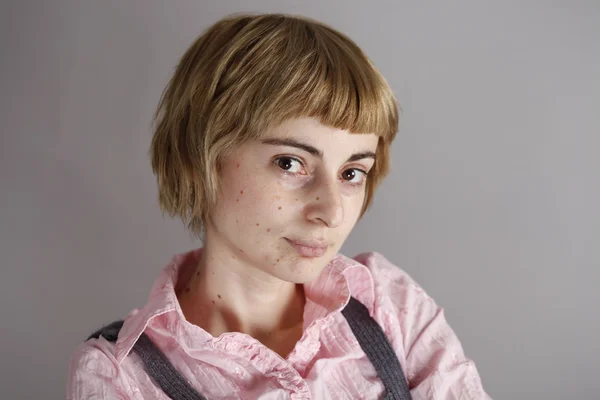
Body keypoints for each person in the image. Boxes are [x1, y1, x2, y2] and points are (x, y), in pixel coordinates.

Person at [67, 13, 491, 399]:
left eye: (352, 173)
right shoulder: (118, 375)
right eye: (291, 163)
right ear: (199, 159)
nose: (332, 212)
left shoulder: (389, 307)